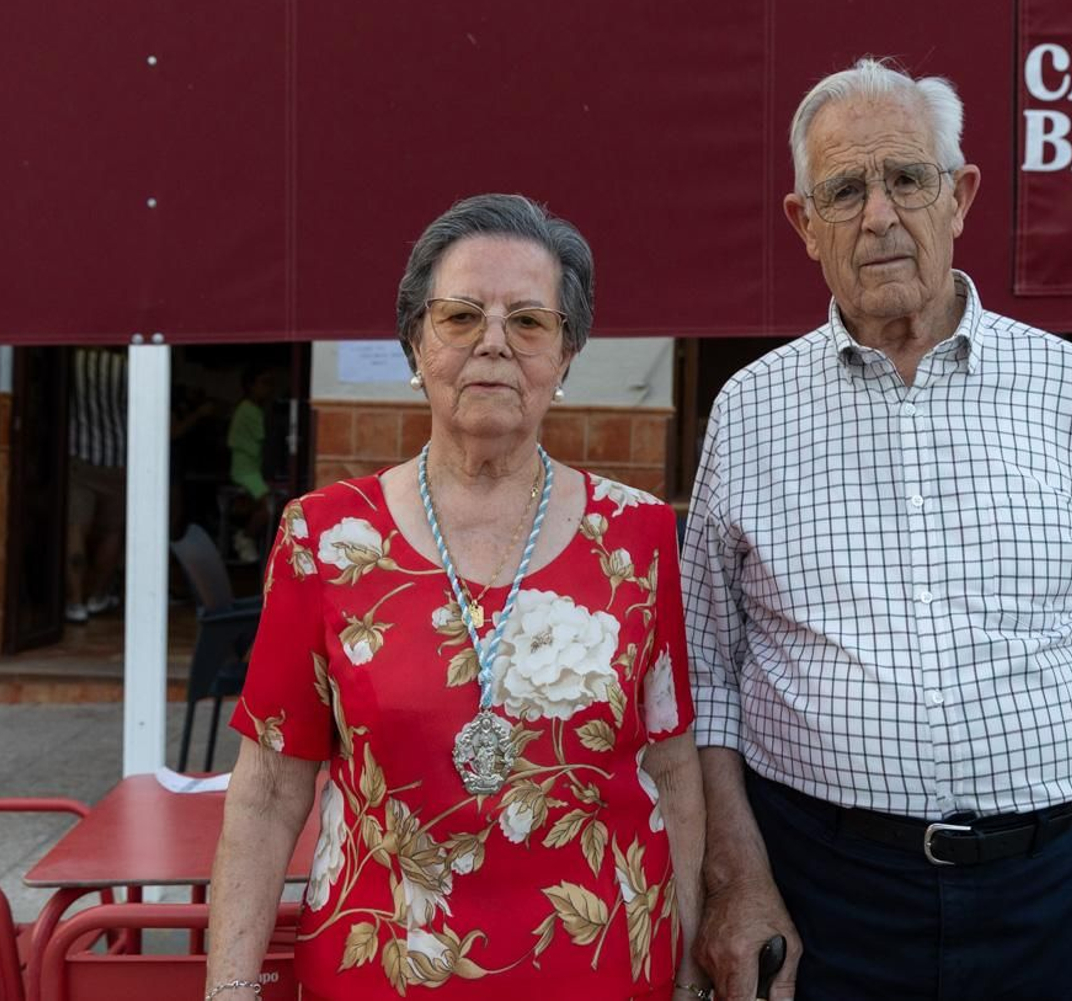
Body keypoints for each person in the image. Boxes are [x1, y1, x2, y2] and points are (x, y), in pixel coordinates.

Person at [681, 59, 1072, 1000]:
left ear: (961, 197)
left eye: (907, 178)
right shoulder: (748, 412)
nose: (878, 216)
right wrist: (737, 880)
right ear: (804, 221)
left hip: (1067, 895)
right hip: (833, 898)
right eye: (844, 189)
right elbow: (708, 673)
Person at [205, 195, 709, 1001]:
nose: (494, 342)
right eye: (462, 314)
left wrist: (686, 974)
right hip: (378, 976)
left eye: (530, 322)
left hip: (605, 976)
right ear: (416, 341)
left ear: (567, 355)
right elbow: (267, 788)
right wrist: (229, 988)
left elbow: (675, 771)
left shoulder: (640, 537)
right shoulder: (325, 539)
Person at [64, 346, 127, 622]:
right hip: (118, 461)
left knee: (75, 529)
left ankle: (75, 602)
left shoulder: (72, 363)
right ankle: (97, 597)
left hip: (81, 459)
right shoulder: (127, 367)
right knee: (111, 533)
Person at [225, 365, 279, 562]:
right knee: (269, 507)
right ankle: (245, 537)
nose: (269, 388)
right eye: (264, 383)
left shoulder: (250, 409)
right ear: (250, 386)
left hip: (252, 469)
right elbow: (266, 439)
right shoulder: (249, 410)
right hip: (245, 471)